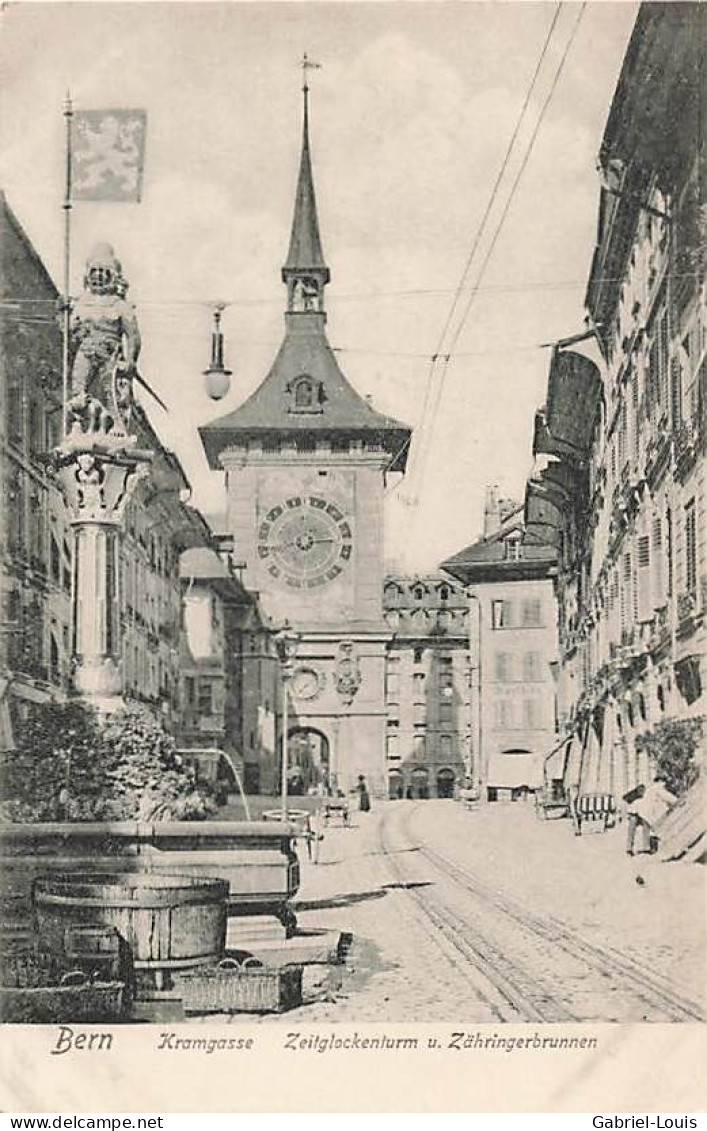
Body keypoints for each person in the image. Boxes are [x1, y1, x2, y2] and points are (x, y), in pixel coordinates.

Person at [626, 775, 676, 856]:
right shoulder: (658, 788)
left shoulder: (649, 788)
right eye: (664, 782)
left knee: (632, 830)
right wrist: (678, 800)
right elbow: (668, 797)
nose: (664, 784)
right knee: (647, 828)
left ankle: (629, 848)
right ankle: (646, 847)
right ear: (660, 781)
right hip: (644, 811)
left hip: (635, 809)